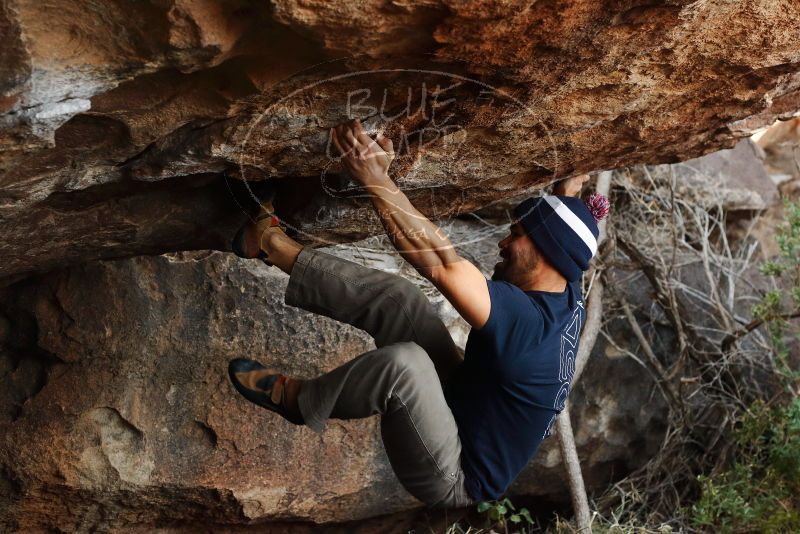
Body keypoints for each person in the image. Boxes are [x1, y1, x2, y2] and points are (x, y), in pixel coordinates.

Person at [227, 119, 606, 508]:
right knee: (399, 299)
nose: (504, 242)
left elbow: (439, 263)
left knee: (405, 366)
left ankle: (297, 400)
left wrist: (373, 176)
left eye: (517, 234)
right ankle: (269, 243)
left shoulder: (526, 326)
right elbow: (565, 241)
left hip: (453, 474)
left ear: (545, 253)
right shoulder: (565, 288)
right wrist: (568, 191)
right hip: (459, 396)